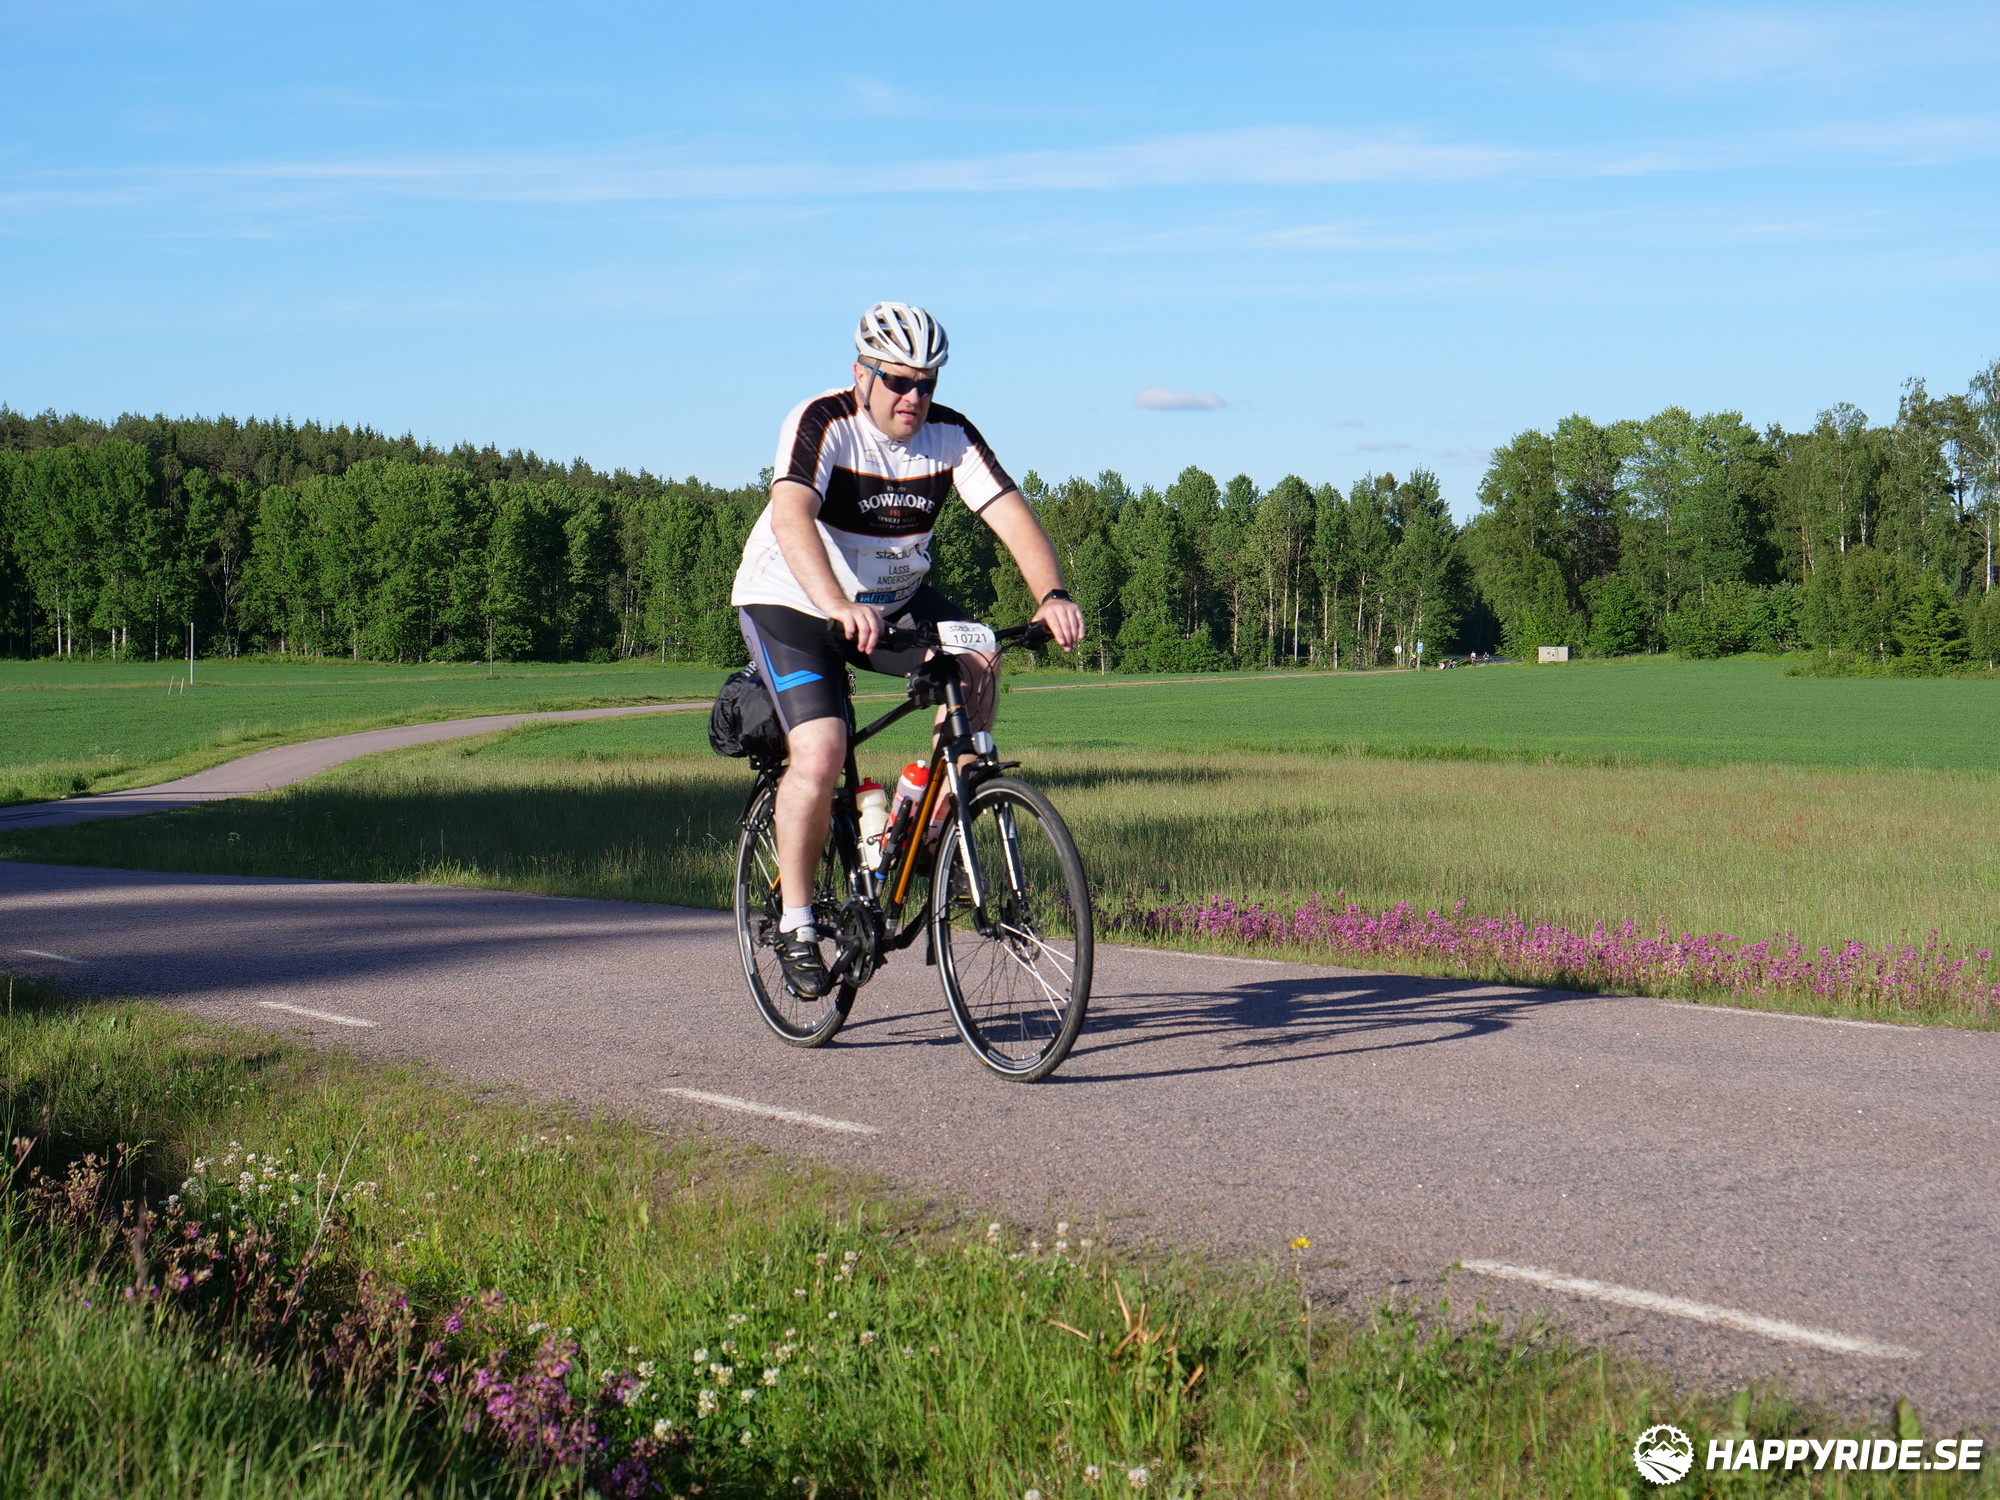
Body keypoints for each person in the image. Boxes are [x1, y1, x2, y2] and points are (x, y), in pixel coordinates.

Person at [731, 302, 1087, 997]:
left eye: (926, 382)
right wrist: (835, 603)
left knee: (980, 655)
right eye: (897, 380)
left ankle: (936, 823)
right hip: (793, 601)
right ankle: (797, 921)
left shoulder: (949, 435)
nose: (913, 397)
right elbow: (792, 514)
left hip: (891, 601)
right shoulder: (823, 421)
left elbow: (1011, 513)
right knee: (822, 750)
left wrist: (1051, 594)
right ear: (861, 374)